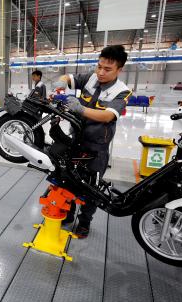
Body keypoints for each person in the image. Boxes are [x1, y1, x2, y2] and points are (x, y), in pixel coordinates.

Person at [58, 45, 131, 238]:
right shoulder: (92, 77)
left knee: (90, 187)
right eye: (99, 66)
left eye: (107, 69)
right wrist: (60, 82)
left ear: (119, 70)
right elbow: (70, 78)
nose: (101, 72)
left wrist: (79, 109)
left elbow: (108, 116)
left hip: (97, 147)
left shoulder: (121, 92)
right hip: (77, 140)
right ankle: (68, 214)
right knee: (69, 180)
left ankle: (84, 223)